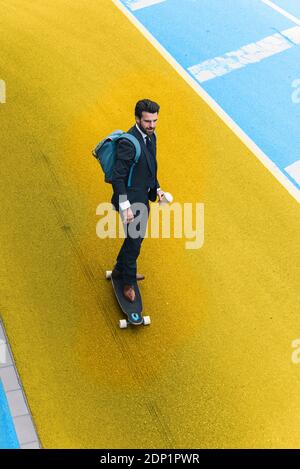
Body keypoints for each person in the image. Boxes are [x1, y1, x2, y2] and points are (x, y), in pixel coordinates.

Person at [111, 99, 165, 302]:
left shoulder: (152, 136)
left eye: (155, 121)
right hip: (129, 201)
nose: (152, 125)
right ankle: (127, 282)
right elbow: (117, 177)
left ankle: (119, 268)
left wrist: (157, 188)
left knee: (137, 238)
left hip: (143, 196)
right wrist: (125, 207)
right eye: (148, 121)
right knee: (134, 242)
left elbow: (150, 165)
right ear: (137, 119)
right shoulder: (128, 143)